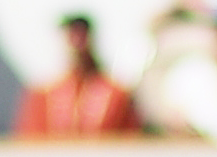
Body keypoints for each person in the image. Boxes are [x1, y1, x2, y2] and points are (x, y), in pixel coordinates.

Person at [13, 12, 144, 138]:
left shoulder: (116, 94)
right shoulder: (43, 95)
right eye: (72, 35)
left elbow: (130, 139)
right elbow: (30, 140)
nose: (76, 43)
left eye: (81, 35)